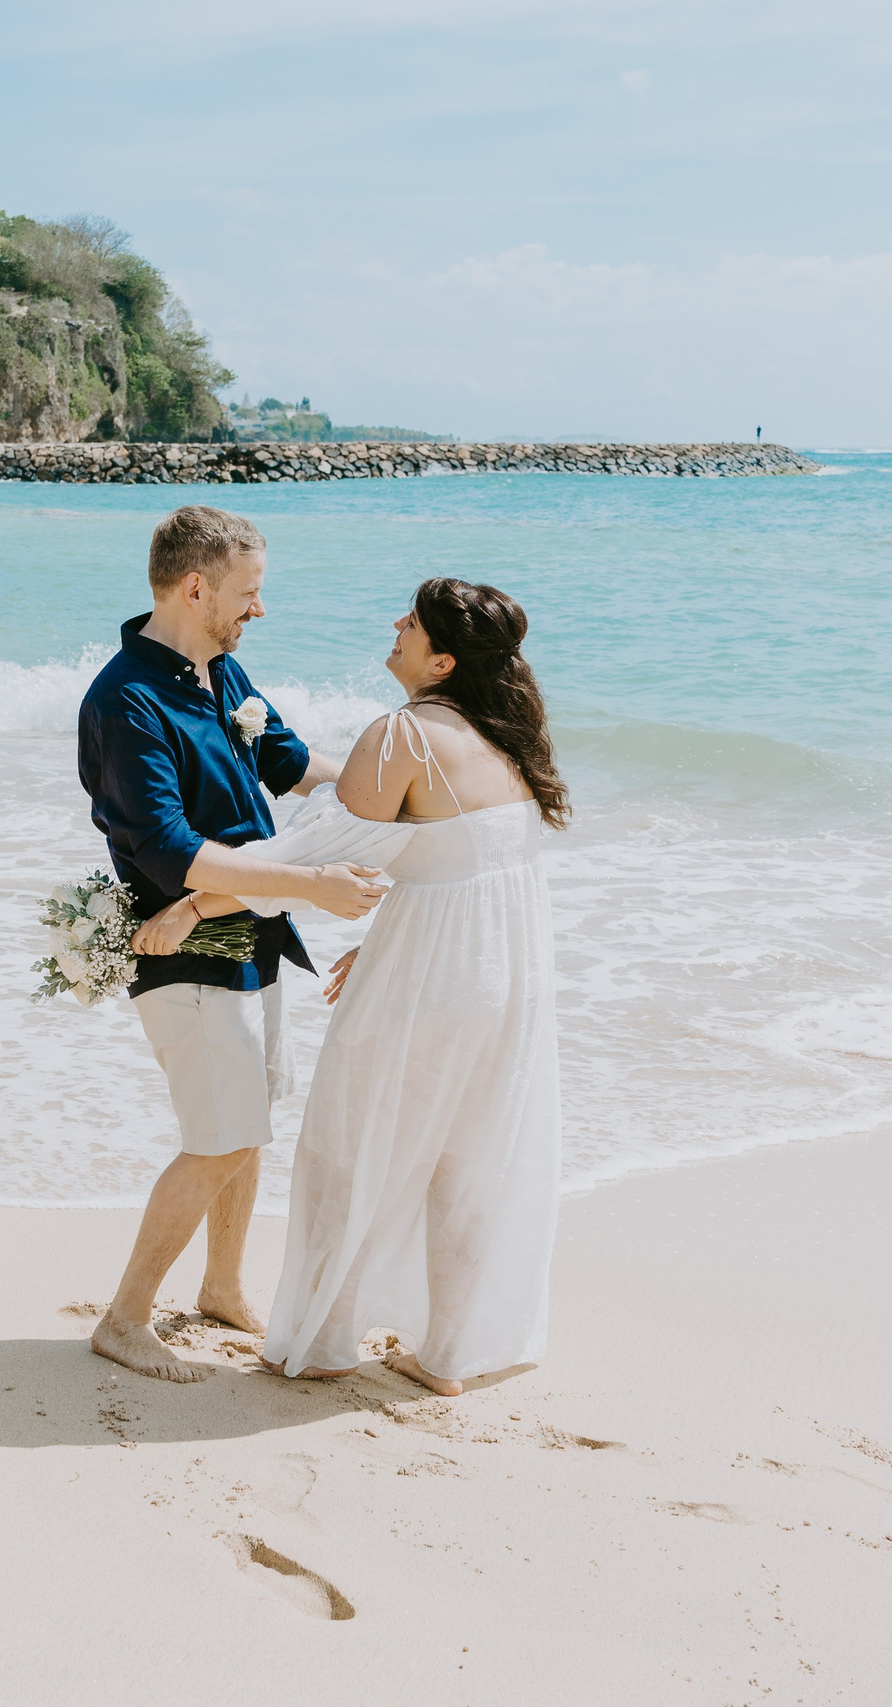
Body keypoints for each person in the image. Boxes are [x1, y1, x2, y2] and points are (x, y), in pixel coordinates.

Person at [176, 578, 567, 1396]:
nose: (396, 624)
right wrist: (394, 937)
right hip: (509, 974)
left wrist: (191, 905)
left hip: (427, 975)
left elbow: (314, 857)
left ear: (444, 659)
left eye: (413, 623)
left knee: (348, 1147)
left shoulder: (403, 735)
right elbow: (470, 869)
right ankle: (447, 1355)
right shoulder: (511, 737)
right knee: (466, 1158)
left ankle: (321, 1341)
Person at [76, 506, 386, 1382]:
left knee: (247, 1129)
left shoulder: (221, 667)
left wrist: (410, 775)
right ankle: (125, 1317)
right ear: (196, 586)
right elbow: (170, 853)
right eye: (249, 593)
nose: (260, 609)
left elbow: (292, 762)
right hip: (181, 946)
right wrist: (313, 884)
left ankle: (220, 1286)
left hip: (256, 939)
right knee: (218, 1137)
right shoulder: (124, 702)